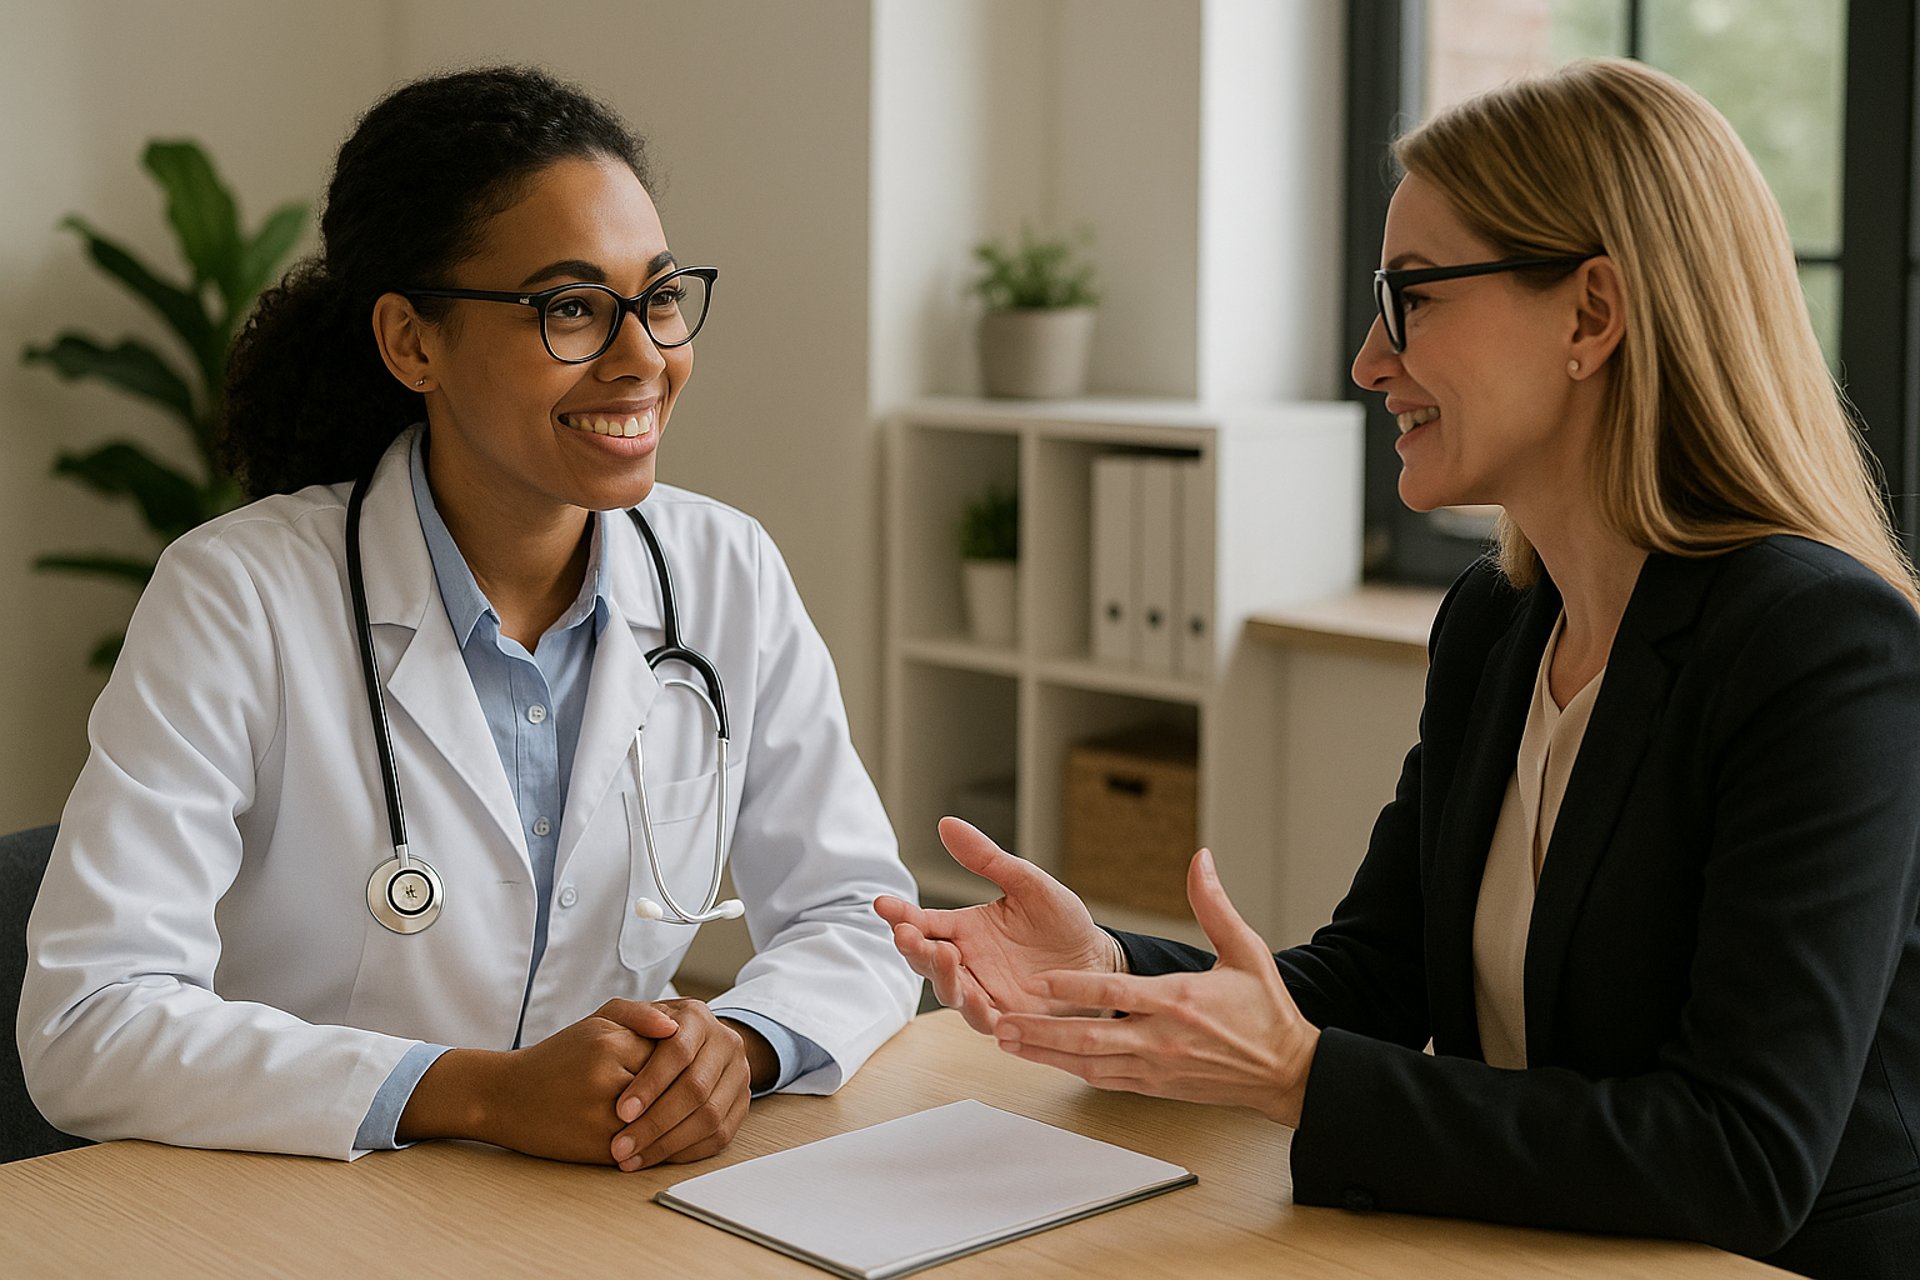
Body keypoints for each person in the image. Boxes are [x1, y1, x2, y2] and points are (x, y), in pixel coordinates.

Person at [876, 58, 1920, 1279]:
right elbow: (1371, 979)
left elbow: (1741, 1154)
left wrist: (1299, 1079)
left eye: (1410, 295)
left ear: (1592, 314)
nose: (1371, 359)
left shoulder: (1822, 649)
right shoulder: (1498, 622)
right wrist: (1107, 971)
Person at [19, 66, 919, 1170]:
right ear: (412, 342)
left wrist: (737, 1042)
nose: (644, 356)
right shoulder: (237, 597)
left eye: (662, 295)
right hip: (299, 1207)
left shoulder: (722, 568)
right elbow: (86, 1020)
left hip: (597, 1201)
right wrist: (480, 1094)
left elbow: (856, 915)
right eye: (573, 308)